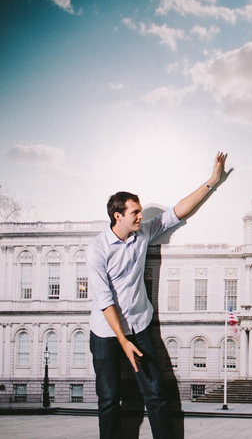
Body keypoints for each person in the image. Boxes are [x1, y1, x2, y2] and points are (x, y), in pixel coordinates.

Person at [87, 152, 228, 439]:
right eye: (135, 213)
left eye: (141, 211)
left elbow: (178, 211)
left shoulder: (143, 234)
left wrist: (212, 181)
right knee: (109, 399)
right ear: (118, 216)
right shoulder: (97, 249)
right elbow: (105, 301)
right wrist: (122, 342)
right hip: (105, 333)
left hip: (138, 328)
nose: (142, 216)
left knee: (155, 394)